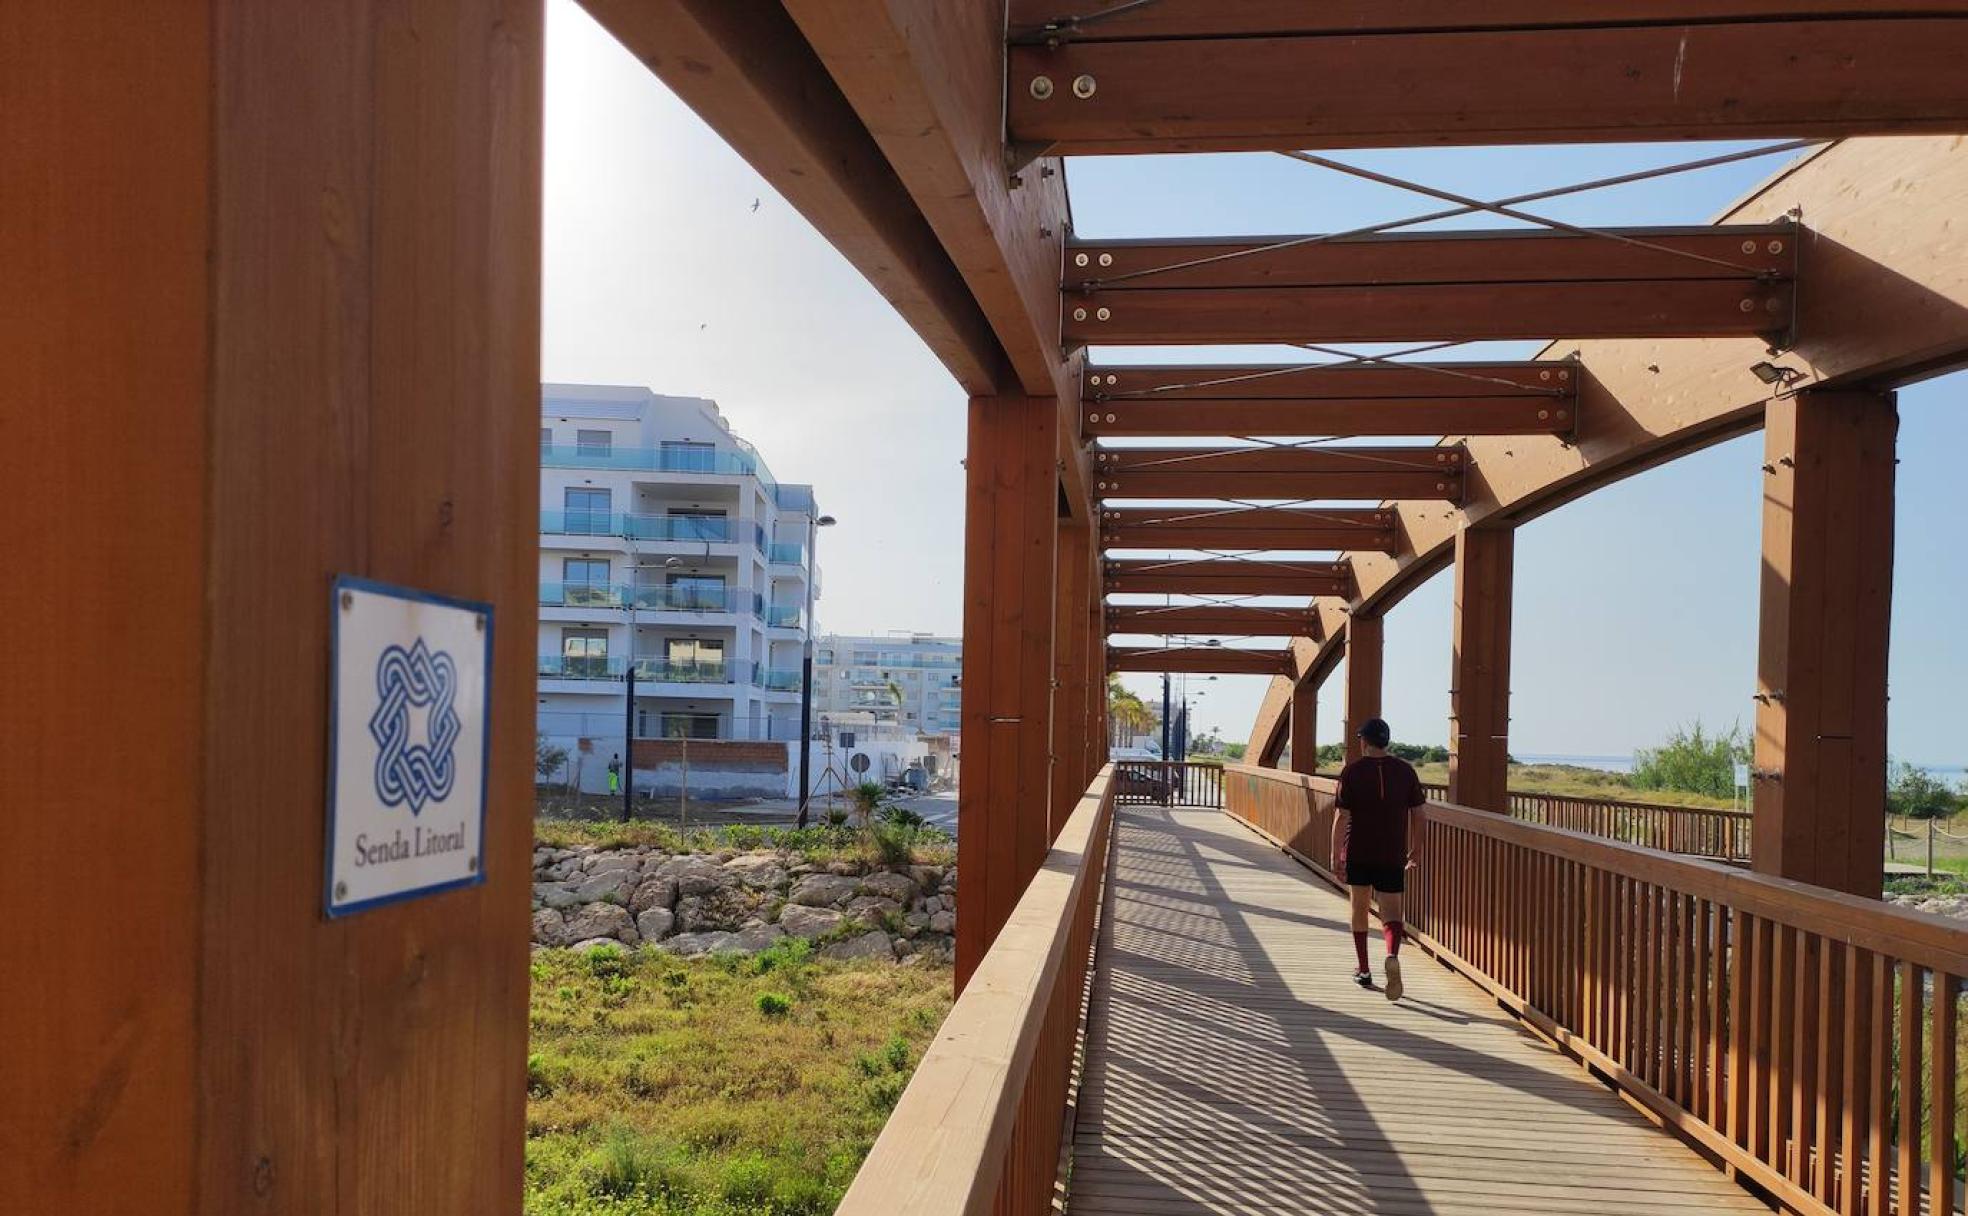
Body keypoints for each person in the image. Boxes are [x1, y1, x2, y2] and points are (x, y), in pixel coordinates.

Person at [1330, 717, 1426, 1000]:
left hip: (1359, 851)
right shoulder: (1406, 772)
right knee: (1392, 914)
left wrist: (1336, 855)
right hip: (1392, 853)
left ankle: (1363, 969)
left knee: (1359, 909)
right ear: (1386, 741)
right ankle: (1391, 954)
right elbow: (1419, 815)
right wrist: (1416, 849)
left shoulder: (1352, 772)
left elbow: (1341, 816)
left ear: (1364, 741)